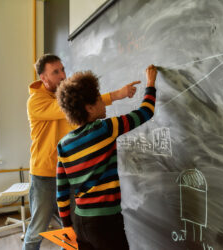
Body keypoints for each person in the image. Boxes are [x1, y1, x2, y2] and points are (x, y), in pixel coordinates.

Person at [24, 54, 140, 250]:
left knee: (70, 232)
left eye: (62, 69)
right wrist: (115, 95)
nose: (62, 75)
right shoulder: (35, 101)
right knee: (37, 229)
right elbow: (63, 108)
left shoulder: (65, 96)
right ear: (43, 78)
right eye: (56, 72)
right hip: (44, 175)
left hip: (69, 174)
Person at [55, 65, 157, 250]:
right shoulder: (105, 129)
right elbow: (145, 112)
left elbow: (61, 193)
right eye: (99, 100)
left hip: (79, 222)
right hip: (105, 223)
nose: (104, 103)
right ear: (90, 108)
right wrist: (150, 83)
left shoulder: (63, 144)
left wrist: (67, 226)